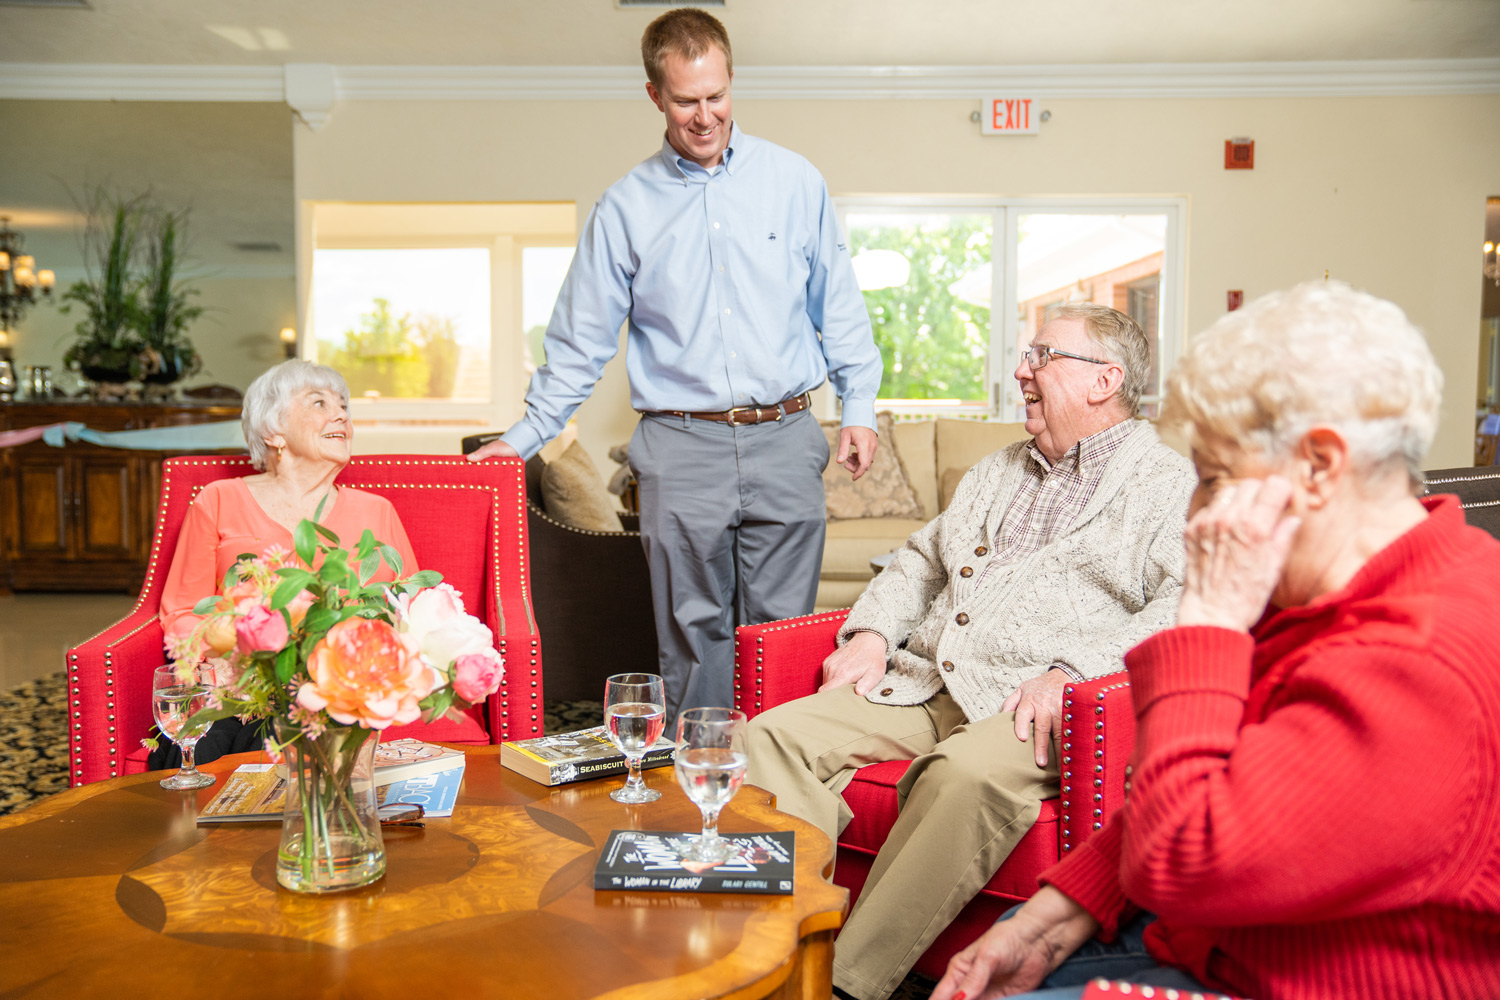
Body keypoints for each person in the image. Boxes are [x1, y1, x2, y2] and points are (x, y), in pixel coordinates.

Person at [931, 281, 1500, 1000]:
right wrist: (1041, 924)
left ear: (1319, 467)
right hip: (1208, 937)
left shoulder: (1422, 659)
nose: (1196, 514)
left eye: (1215, 479)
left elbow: (1185, 861)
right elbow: (1193, 807)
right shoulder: (1327, 592)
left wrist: (1205, 621)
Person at [745, 302, 1197, 1000]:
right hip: (926, 682)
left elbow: (1182, 604)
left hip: (1030, 706)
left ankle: (837, 984)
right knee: (771, 737)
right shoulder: (999, 469)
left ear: (1105, 380)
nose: (1022, 370)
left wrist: (1072, 673)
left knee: (961, 776)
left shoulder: (1166, 484)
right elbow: (919, 560)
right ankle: (775, 950)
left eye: (1043, 356)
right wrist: (871, 635)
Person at [465, 8, 883, 722]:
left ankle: (776, 788)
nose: (704, 116)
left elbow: (837, 305)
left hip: (784, 436)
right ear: (655, 95)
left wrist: (861, 406)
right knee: (693, 637)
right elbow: (578, 345)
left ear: (730, 83)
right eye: (686, 100)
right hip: (681, 446)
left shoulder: (794, 181)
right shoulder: (625, 209)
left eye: (716, 96)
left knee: (779, 636)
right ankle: (703, 792)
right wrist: (522, 439)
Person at [149, 359, 418, 768]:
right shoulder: (218, 500)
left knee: (282, 741)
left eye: (344, 405)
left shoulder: (375, 511)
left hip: (337, 688)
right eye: (319, 403)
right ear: (273, 431)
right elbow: (183, 611)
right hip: (236, 684)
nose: (341, 413)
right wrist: (232, 654)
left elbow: (412, 610)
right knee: (203, 749)